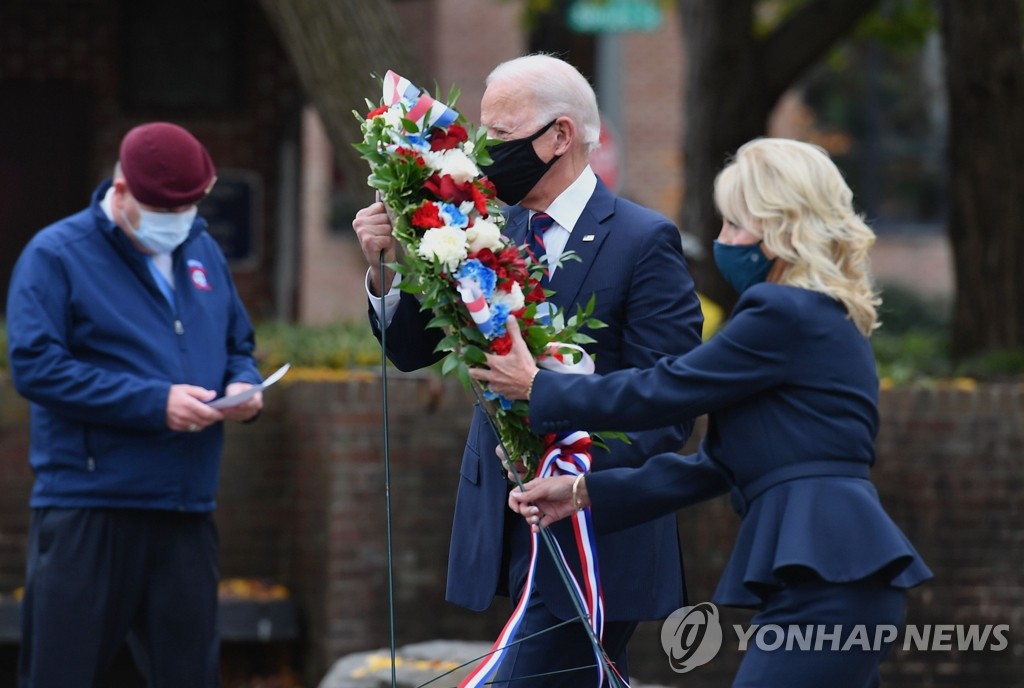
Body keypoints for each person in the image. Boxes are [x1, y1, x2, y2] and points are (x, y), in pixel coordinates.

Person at [473, 137, 933, 687]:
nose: (723, 241)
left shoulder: (780, 311)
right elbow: (713, 466)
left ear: (781, 231)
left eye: (737, 225)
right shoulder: (826, 318)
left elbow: (668, 387)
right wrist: (580, 493)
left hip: (823, 573)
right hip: (843, 572)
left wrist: (539, 388)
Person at [352, 54, 705, 685]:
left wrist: (575, 474)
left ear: (560, 136)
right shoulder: (485, 228)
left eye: (502, 136)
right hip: (507, 516)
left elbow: (668, 404)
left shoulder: (643, 240)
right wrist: (384, 266)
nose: (485, 153)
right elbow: (412, 349)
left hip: (591, 526)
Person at [7, 121, 264, 687]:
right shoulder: (56, 255)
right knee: (62, 674)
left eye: (189, 210)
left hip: (185, 508)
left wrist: (246, 388)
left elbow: (237, 344)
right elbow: (36, 367)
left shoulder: (202, 250)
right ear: (119, 190)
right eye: (165, 212)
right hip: (91, 507)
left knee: (190, 676)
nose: (179, 225)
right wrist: (154, 403)